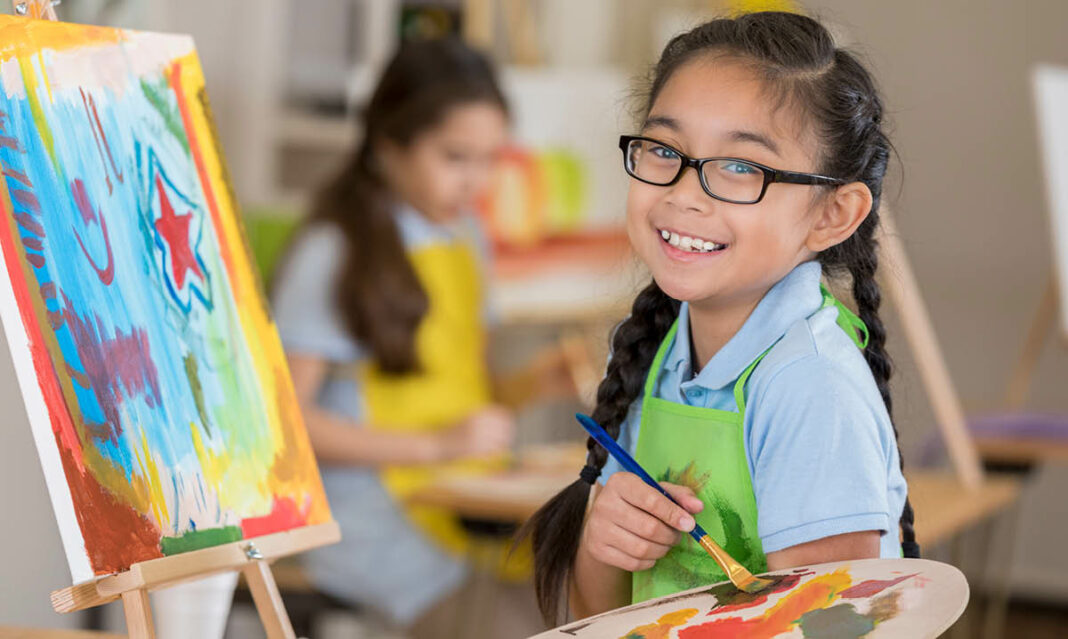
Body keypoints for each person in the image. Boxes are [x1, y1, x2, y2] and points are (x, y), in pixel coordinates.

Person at [524, 11, 917, 624]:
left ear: (832, 214)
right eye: (664, 149)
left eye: (742, 167)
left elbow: (832, 629)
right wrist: (604, 541)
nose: (685, 192)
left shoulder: (808, 386)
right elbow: (598, 621)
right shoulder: (648, 352)